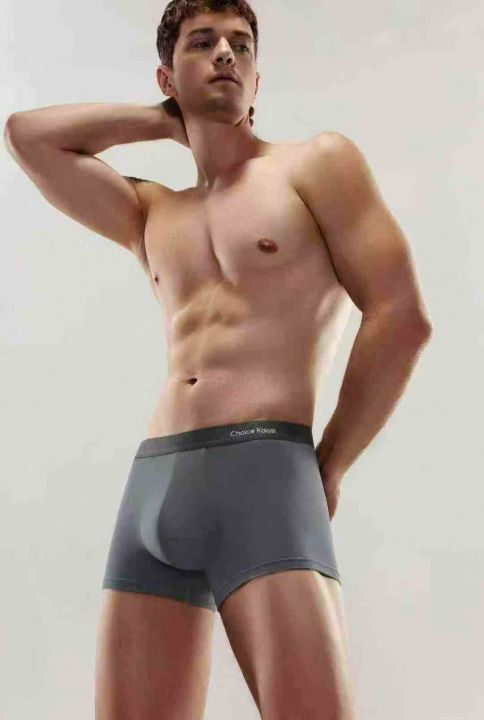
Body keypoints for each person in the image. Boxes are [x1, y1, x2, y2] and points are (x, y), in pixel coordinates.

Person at [4, 0, 433, 717]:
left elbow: (401, 318)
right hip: (154, 484)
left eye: (241, 44)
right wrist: (163, 119)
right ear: (167, 75)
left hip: (268, 473)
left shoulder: (315, 165)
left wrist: (329, 465)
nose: (227, 54)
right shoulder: (150, 212)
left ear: (258, 79)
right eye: (203, 43)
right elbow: (27, 135)